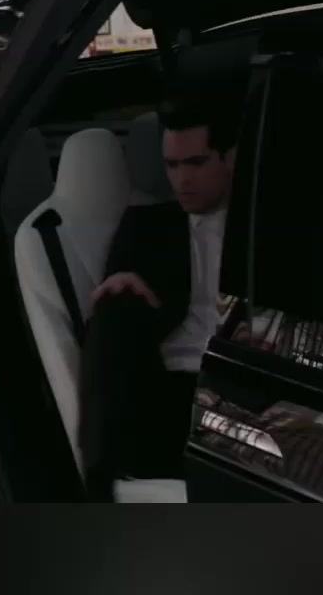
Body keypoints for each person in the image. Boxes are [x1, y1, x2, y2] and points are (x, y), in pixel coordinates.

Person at [79, 92, 239, 499]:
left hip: (243, 385)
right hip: (173, 390)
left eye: (196, 163)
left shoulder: (263, 226)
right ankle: (100, 482)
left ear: (230, 158)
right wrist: (121, 290)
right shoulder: (146, 226)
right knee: (111, 316)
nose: (182, 179)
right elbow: (113, 313)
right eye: (172, 165)